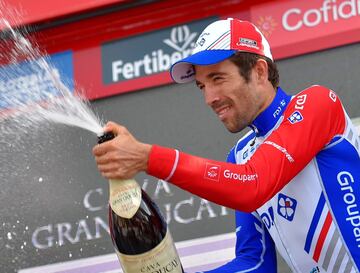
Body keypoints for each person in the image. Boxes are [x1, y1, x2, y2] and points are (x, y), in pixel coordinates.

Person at [93, 18, 360, 273]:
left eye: (218, 79)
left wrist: (147, 158)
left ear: (259, 71)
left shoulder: (318, 103)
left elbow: (252, 184)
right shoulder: (241, 156)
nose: (209, 97)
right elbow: (254, 264)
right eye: (201, 86)